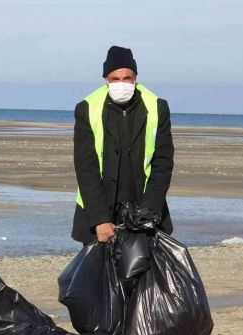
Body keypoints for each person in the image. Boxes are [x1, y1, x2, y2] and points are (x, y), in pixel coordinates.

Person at [72, 45, 174, 244]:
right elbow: (86, 168)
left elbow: (163, 163)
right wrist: (100, 219)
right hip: (99, 214)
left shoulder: (157, 107)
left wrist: (148, 212)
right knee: (98, 274)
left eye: (126, 78)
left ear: (135, 77)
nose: (121, 84)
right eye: (115, 79)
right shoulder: (87, 108)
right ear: (106, 80)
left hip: (145, 209)